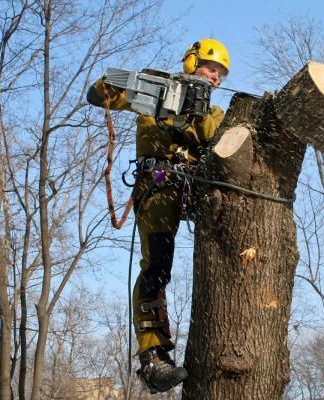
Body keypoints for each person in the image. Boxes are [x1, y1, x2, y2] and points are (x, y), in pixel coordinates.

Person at [87, 38, 230, 393]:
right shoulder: (157, 96)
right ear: (192, 62)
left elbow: (224, 145)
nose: (216, 77)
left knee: (231, 246)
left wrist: (195, 124)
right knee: (157, 265)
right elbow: (98, 94)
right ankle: (153, 358)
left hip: (198, 188)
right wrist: (141, 85)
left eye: (221, 74)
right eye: (211, 68)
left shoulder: (214, 115)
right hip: (160, 184)